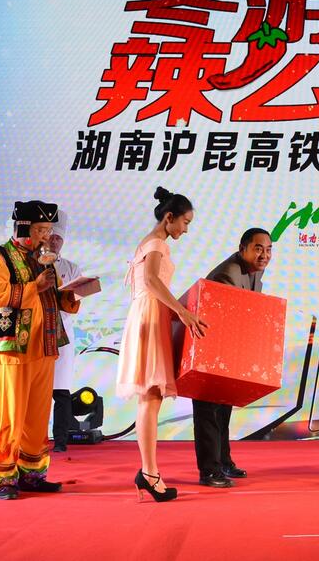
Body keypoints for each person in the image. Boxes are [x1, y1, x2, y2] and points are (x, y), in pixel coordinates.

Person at [0, 201, 80, 499]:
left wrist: (72, 293)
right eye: (40, 230)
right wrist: (34, 286)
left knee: (37, 416)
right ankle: (1, 478)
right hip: (12, 348)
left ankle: (32, 473)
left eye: (48, 230)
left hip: (44, 345)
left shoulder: (44, 260)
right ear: (23, 228)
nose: (45, 237)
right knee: (8, 415)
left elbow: (57, 298)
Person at [116, 187, 207, 503]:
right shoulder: (156, 243)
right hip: (150, 317)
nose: (186, 229)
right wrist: (182, 311)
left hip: (150, 315)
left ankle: (149, 472)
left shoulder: (150, 241)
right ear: (169, 217)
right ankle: (149, 473)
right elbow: (152, 280)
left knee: (150, 397)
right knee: (150, 396)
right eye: (185, 222)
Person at [193, 227, 273, 488]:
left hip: (226, 349)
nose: (264, 255)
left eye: (268, 249)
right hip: (209, 349)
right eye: (258, 249)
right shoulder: (228, 274)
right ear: (243, 249)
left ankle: (223, 462)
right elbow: (231, 315)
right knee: (208, 411)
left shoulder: (253, 270)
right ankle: (209, 471)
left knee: (223, 410)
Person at [49, 210, 83, 453]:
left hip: (63, 333)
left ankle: (60, 441)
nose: (54, 242)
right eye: (51, 237)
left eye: (58, 238)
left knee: (61, 390)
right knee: (36, 391)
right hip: (38, 330)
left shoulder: (71, 268)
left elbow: (75, 303)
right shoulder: (32, 264)